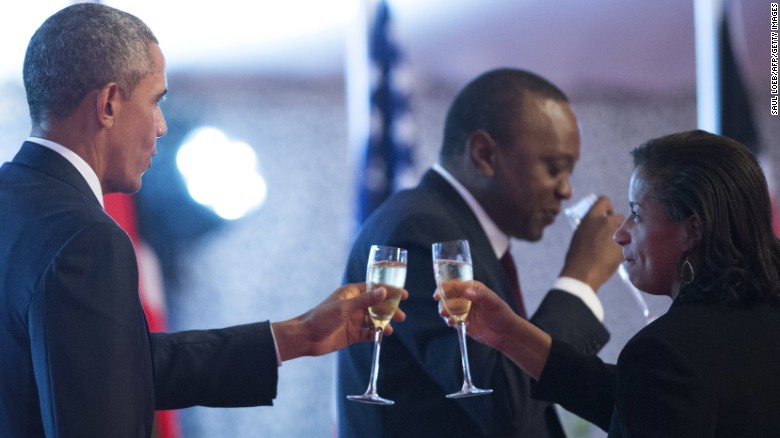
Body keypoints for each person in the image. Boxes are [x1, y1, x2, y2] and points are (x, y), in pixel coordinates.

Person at [0, 4, 407, 437]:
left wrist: (299, 334)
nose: (160, 127)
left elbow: (112, 368)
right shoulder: (89, 238)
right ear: (109, 104)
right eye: (156, 101)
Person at [337, 68, 624, 437]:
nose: (566, 190)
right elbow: (503, 401)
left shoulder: (458, 230)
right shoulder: (422, 232)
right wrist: (581, 279)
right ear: (484, 153)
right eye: (554, 168)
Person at [438, 130, 780, 436]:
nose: (620, 232)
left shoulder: (668, 350)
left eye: (638, 214)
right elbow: (632, 399)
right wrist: (508, 333)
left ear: (691, 230)